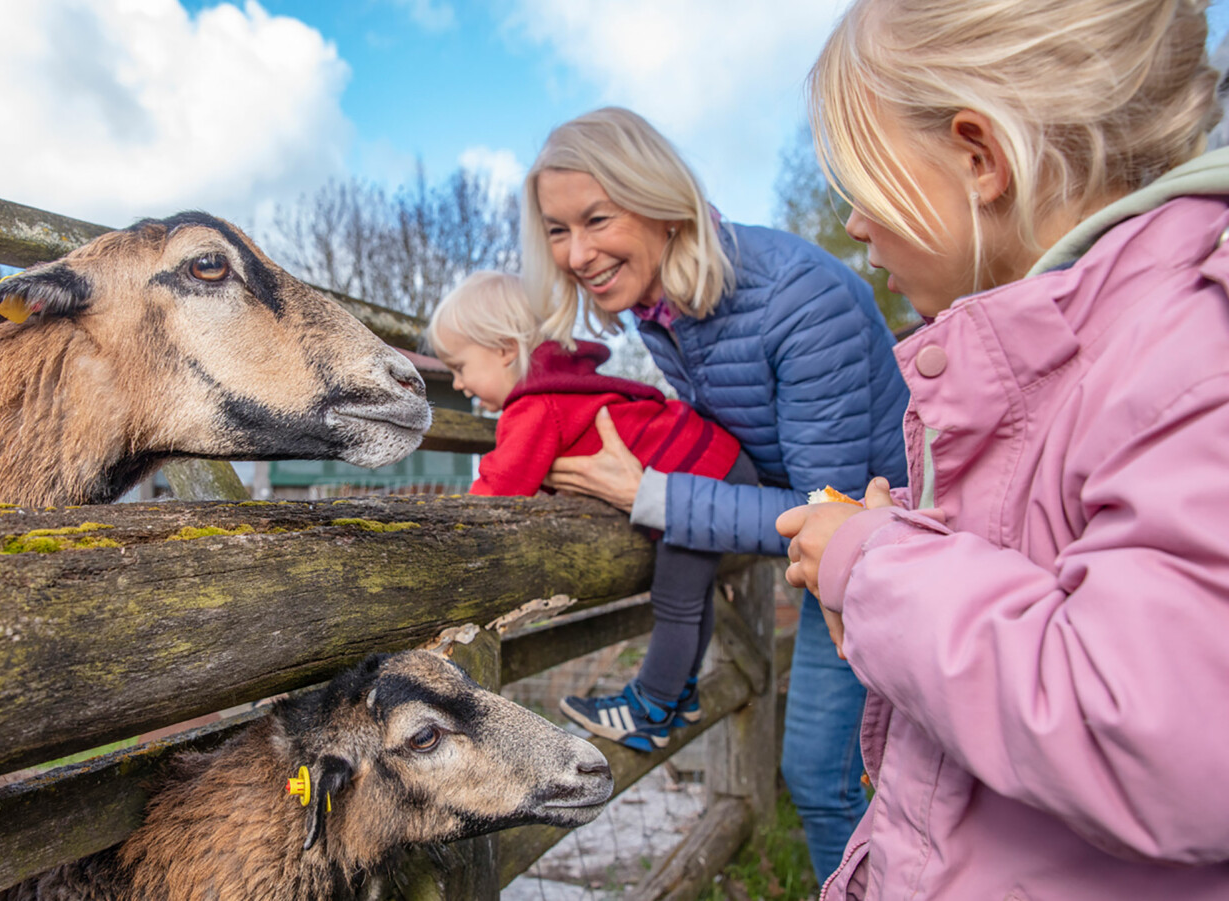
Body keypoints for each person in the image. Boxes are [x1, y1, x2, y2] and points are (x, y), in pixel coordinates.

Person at [776, 0, 1229, 897]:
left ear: (979, 157)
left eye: (864, 180)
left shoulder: (1188, 349)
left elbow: (1161, 738)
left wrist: (877, 569)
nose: (856, 225)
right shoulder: (1068, 352)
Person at [522, 106, 910, 882]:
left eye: (597, 218)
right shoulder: (667, 313)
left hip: (893, 555)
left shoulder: (797, 300)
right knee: (835, 776)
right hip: (838, 558)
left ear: (661, 202)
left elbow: (824, 512)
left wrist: (654, 495)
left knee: (826, 777)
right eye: (557, 230)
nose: (576, 252)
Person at [428, 270, 755, 750]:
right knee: (693, 593)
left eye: (459, 366)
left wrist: (437, 533)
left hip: (704, 476)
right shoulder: (566, 387)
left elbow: (497, 494)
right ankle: (681, 695)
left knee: (677, 598)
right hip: (716, 466)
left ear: (503, 349)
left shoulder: (536, 404)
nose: (457, 383)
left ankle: (650, 708)